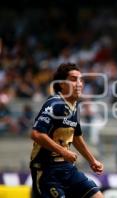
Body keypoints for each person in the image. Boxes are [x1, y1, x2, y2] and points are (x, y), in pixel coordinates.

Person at [29, 63, 104, 198]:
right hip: (47, 170)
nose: (79, 83)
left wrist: (92, 160)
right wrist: (63, 151)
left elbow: (75, 135)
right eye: (74, 79)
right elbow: (36, 134)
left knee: (97, 196)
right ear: (62, 84)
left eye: (81, 80)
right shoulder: (55, 104)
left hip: (67, 168)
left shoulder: (74, 106)